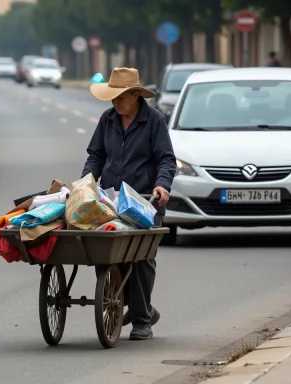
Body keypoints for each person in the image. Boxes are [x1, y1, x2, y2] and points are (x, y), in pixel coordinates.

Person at [82, 67, 176, 341]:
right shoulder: (108, 119)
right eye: (113, 97)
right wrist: (85, 184)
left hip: (146, 201)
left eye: (121, 97)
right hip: (111, 201)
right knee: (107, 253)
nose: (116, 102)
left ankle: (142, 320)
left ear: (136, 95)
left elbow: (166, 159)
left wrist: (162, 185)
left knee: (141, 258)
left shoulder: (154, 121)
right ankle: (134, 304)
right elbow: (96, 156)